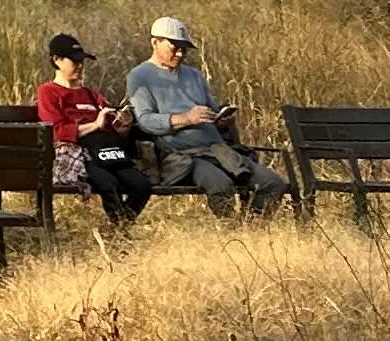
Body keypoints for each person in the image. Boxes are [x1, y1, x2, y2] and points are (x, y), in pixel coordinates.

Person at [122, 14, 291, 216]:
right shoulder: (139, 76)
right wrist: (185, 118)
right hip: (182, 156)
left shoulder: (194, 75)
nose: (179, 53)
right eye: (173, 46)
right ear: (154, 42)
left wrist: (222, 120)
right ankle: (231, 230)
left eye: (183, 48)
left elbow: (211, 110)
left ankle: (252, 231)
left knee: (274, 183)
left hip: (217, 149)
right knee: (221, 185)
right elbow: (145, 121)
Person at [33, 35, 148, 225]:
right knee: (107, 183)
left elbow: (110, 125)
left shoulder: (90, 94)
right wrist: (94, 124)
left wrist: (122, 127)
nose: (80, 66)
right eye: (75, 61)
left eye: (82, 61)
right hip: (79, 155)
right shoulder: (49, 92)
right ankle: (120, 231)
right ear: (56, 61)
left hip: (108, 152)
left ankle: (120, 228)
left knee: (141, 186)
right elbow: (57, 131)